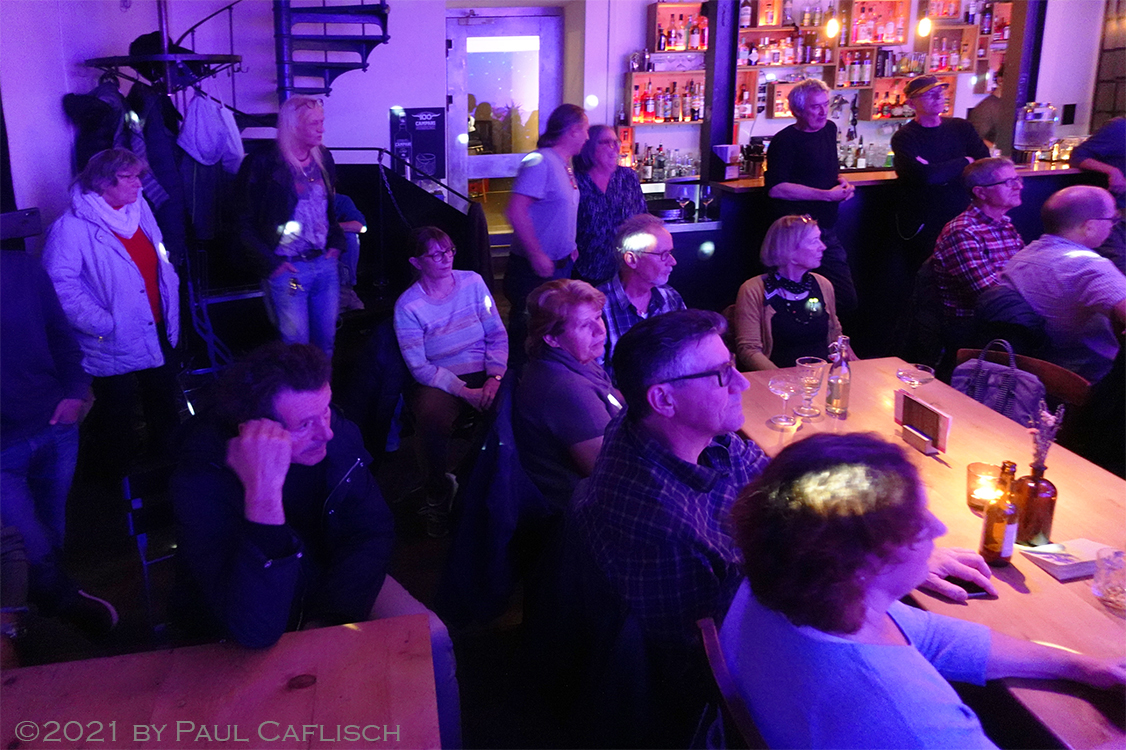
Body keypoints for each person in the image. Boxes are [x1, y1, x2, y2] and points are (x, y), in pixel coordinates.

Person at [722, 432, 1125, 750]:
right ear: (863, 561)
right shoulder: (913, 722)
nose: (938, 528)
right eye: (916, 522)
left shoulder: (792, 582)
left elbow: (934, 637)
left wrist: (1081, 666)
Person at [170, 343, 460, 748]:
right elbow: (255, 628)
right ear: (255, 431)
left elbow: (373, 531)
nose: (326, 431)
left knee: (433, 637)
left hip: (334, 583)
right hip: (253, 610)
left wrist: (330, 616)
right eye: (305, 423)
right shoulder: (202, 478)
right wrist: (263, 497)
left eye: (325, 410)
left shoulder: (334, 433)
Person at [41, 147, 181, 479]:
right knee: (116, 409)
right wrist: (101, 322)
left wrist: (170, 291)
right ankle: (115, 481)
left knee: (163, 396)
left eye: (138, 176)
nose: (139, 184)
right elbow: (58, 285)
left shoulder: (139, 210)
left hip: (156, 323)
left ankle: (169, 466)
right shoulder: (71, 228)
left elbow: (158, 256)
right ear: (103, 182)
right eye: (128, 177)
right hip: (111, 336)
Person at [1, 249, 117, 637]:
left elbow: (59, 335)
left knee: (51, 533)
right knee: (29, 544)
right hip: (3, 449)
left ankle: (34, 617)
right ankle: (61, 603)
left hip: (54, 425)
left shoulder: (21, 268)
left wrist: (75, 392)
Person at [393, 226, 508, 536]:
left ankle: (486, 485)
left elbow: (496, 334)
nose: (446, 258)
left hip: (483, 368)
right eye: (436, 254)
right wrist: (463, 391)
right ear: (416, 262)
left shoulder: (473, 282)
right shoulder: (408, 305)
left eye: (449, 250)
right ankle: (437, 494)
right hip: (440, 376)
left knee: (511, 410)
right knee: (431, 419)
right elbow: (419, 366)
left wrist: (495, 376)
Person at [235, 96, 345, 357]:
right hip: (291, 272)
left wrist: (336, 243)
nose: (322, 129)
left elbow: (328, 209)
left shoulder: (323, 157)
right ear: (293, 126)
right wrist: (273, 265)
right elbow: (242, 221)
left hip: (324, 265)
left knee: (326, 343)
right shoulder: (262, 162)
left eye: (322, 121)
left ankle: (322, 386)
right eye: (314, 123)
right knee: (296, 347)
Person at [514, 279, 622, 509]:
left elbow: (611, 397)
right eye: (584, 325)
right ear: (551, 338)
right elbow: (612, 475)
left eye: (598, 317)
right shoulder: (567, 390)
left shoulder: (577, 359)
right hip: (580, 509)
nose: (600, 330)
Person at [1001, 185, 1126, 383]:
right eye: (1112, 219)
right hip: (1090, 379)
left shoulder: (1019, 260)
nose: (1113, 226)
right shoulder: (1090, 267)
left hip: (1032, 376)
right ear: (1089, 226)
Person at [765, 78, 858, 315]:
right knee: (794, 300)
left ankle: (830, 336)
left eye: (826, 104)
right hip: (795, 234)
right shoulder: (785, 140)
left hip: (825, 227)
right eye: (815, 107)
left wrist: (842, 184)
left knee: (844, 299)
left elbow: (825, 170)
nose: (823, 111)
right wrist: (826, 196)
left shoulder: (829, 129)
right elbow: (777, 188)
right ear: (797, 111)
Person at [504, 104, 590, 360]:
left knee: (550, 333)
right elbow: (516, 210)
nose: (587, 137)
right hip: (533, 271)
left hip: (559, 265)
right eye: (585, 130)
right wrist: (536, 254)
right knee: (528, 334)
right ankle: (518, 379)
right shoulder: (540, 161)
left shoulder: (564, 165)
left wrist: (570, 245)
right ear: (573, 130)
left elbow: (559, 211)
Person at [892, 76, 990, 265]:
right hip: (925, 221)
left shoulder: (961, 127)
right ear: (911, 104)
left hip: (963, 215)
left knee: (966, 268)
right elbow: (927, 176)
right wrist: (965, 160)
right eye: (929, 94)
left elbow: (984, 164)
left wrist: (938, 168)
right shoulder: (905, 137)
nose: (938, 97)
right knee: (926, 272)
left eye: (940, 92)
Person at [932, 157, 1025, 352]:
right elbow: (990, 294)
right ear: (980, 192)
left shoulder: (1005, 225)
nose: (1019, 186)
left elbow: (1026, 275)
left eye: (1018, 179)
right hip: (974, 330)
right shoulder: (963, 231)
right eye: (1008, 182)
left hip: (1004, 320)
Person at [734, 214, 843, 370]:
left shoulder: (823, 284)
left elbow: (835, 337)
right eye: (814, 241)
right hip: (775, 380)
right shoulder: (753, 290)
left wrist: (850, 366)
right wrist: (783, 378)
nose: (823, 247)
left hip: (821, 376)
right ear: (789, 250)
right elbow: (749, 350)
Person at [597, 213, 685, 379]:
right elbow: (594, 381)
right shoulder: (598, 307)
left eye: (671, 253)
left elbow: (685, 356)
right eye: (663, 254)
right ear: (632, 259)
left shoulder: (671, 298)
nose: (673, 262)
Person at [573, 124, 647, 287]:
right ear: (589, 147)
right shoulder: (576, 180)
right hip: (586, 269)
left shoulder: (627, 177)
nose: (615, 148)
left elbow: (642, 219)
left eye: (616, 142)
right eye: (607, 142)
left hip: (626, 269)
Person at [1070, 116, 1125, 273]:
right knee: (1119, 269)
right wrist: (1112, 171)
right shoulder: (1119, 128)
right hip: (1113, 216)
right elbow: (1077, 156)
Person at [334, 192, 366, 312]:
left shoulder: (340, 200)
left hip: (330, 244)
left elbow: (361, 227)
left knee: (350, 237)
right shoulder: (296, 199)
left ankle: (346, 290)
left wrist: (328, 227)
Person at [968, 67, 1008, 149]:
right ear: (1000, 80)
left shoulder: (1009, 105)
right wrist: (998, 151)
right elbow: (975, 138)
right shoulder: (986, 107)